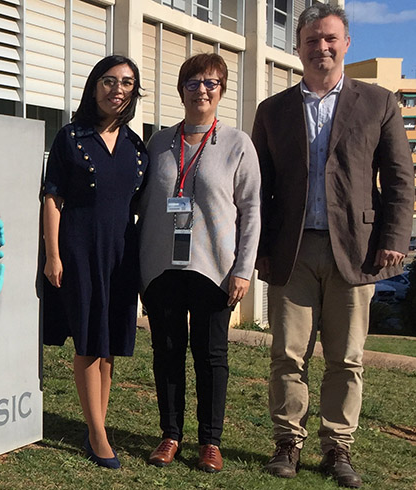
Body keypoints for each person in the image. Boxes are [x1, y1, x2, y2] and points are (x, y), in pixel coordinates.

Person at [251, 4, 413, 488]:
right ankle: (287, 443)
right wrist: (258, 249)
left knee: (347, 358)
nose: (321, 47)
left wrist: (394, 238)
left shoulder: (380, 102)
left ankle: (337, 448)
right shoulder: (273, 110)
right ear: (296, 46)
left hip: (357, 250)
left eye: (330, 39)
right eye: (311, 40)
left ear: (346, 44)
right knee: (287, 354)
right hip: (292, 251)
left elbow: (401, 179)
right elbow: (260, 187)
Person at [137, 53, 261, 472]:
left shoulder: (237, 144)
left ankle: (210, 441)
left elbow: (251, 209)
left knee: (211, 355)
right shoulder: (158, 143)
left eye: (211, 83)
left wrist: (243, 268)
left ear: (221, 91)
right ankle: (170, 434)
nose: (202, 90)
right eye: (193, 83)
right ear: (181, 90)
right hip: (161, 267)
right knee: (166, 352)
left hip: (214, 268)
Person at [41, 55, 148, 469]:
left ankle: (96, 422)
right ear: (94, 86)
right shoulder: (71, 137)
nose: (117, 89)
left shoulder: (137, 147)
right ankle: (98, 434)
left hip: (121, 253)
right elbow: (52, 197)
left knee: (108, 347)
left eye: (126, 83)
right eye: (108, 81)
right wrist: (53, 253)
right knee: (88, 340)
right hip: (78, 250)